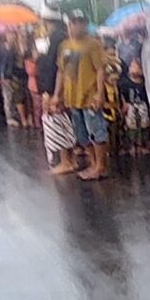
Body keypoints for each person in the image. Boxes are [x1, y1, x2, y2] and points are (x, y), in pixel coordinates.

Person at [54, 15, 111, 181]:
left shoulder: (93, 44)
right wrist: (57, 94)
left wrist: (100, 93)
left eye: (81, 22)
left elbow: (100, 69)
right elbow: (61, 71)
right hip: (72, 97)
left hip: (89, 96)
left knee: (97, 131)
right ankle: (93, 163)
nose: (77, 26)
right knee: (81, 134)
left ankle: (101, 166)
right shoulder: (64, 45)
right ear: (69, 24)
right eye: (74, 22)